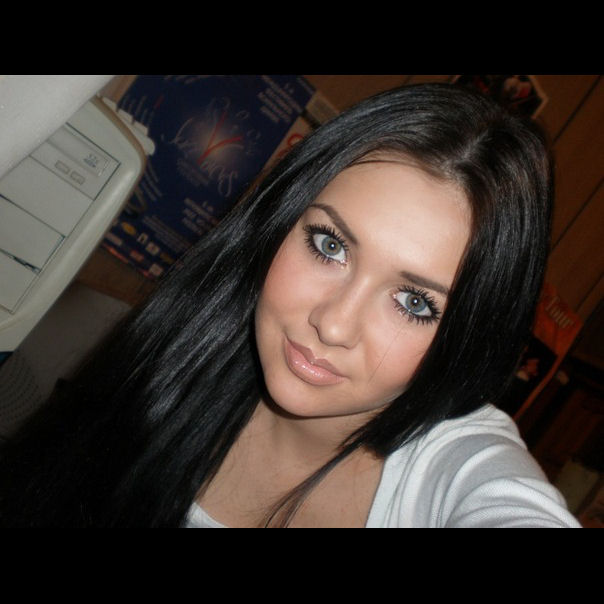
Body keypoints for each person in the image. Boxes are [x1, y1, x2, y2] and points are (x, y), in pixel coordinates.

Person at [0, 83, 581, 528]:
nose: (332, 324)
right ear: (277, 224)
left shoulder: (454, 469)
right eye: (330, 246)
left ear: (471, 334)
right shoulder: (183, 347)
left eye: (414, 301)